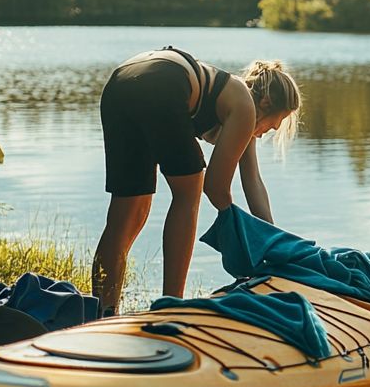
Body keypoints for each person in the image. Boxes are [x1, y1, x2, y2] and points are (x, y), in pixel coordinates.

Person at [91, 47, 301, 313]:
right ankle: (171, 307)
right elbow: (215, 187)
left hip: (121, 82)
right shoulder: (245, 108)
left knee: (127, 215)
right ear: (267, 104)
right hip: (162, 82)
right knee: (189, 194)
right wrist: (234, 225)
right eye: (276, 122)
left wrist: (272, 240)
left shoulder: (241, 107)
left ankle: (103, 312)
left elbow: (253, 182)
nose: (270, 131)